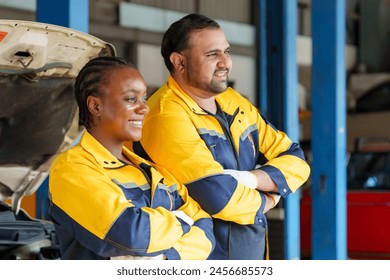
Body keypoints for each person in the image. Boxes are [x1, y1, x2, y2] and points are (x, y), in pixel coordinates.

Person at [132, 14, 311, 260]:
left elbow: (296, 158)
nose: (226, 62)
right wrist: (269, 198)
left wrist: (252, 179)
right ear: (179, 62)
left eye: (226, 51)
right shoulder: (165, 116)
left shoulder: (233, 102)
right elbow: (220, 197)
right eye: (212, 54)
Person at [48, 56, 215, 260]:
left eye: (144, 98)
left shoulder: (153, 171)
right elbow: (130, 233)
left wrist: (166, 258)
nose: (144, 108)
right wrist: (182, 219)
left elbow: (206, 230)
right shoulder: (72, 168)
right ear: (95, 106)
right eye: (130, 99)